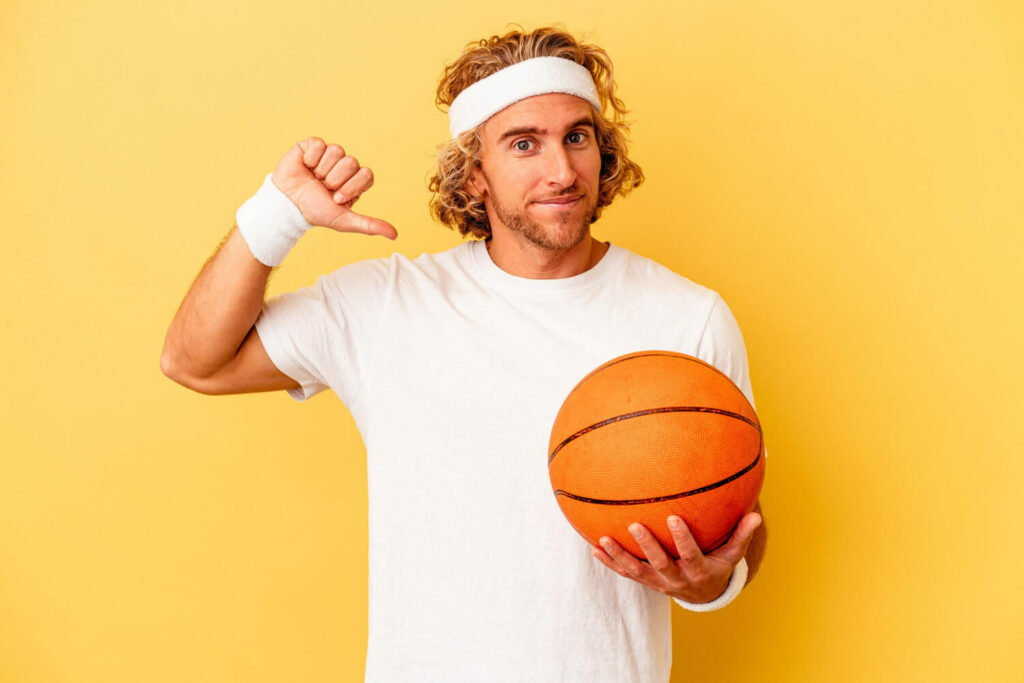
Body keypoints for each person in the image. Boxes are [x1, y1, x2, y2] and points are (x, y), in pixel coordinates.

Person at [162, 25, 767, 683]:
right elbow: (197, 361)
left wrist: (711, 580)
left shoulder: (687, 316)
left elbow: (742, 530)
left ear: (602, 150)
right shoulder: (386, 305)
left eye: (577, 136)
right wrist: (275, 217)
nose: (560, 170)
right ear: (474, 173)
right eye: (524, 144)